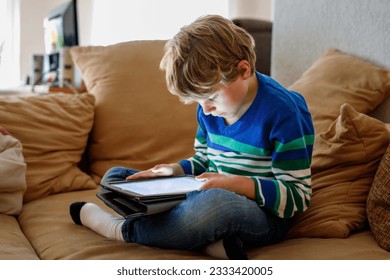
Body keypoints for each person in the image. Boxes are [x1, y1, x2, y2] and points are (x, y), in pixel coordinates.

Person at [70, 15, 314, 260]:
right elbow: (204, 161)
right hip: (206, 195)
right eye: (198, 101)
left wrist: (232, 184)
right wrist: (173, 171)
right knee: (116, 178)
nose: (205, 110)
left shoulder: (284, 112)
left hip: (261, 215)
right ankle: (205, 241)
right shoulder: (210, 109)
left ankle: (121, 230)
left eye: (212, 97)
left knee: (218, 205)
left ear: (243, 70)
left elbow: (297, 196)